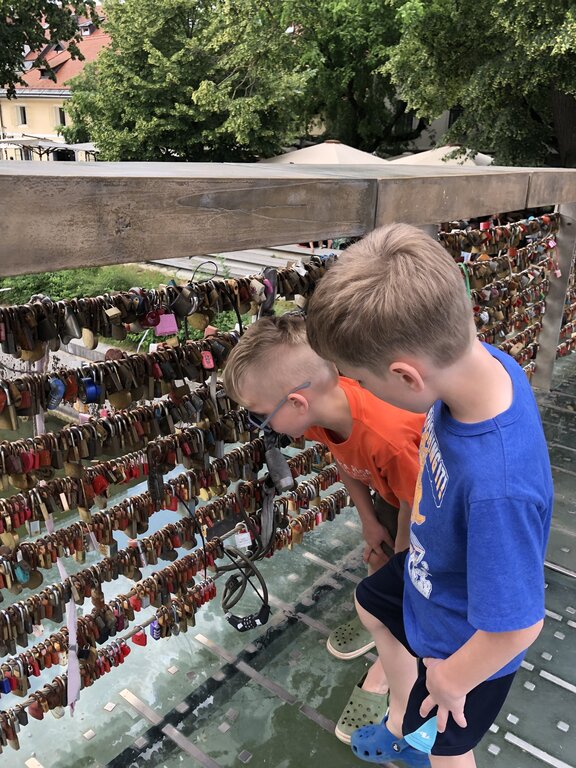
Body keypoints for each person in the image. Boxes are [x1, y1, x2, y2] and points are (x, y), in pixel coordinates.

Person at [305, 223, 553, 767]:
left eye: (364, 383)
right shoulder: (480, 364)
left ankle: (417, 730)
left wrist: (449, 678)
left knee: (445, 749)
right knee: (371, 604)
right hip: (431, 573)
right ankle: (400, 715)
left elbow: (518, 625)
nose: (362, 395)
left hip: (465, 644)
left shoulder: (497, 486)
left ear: (406, 377)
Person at [222, 313, 424, 744]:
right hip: (392, 498)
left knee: (403, 595)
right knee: (378, 565)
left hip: (431, 509)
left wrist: (401, 567)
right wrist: (369, 522)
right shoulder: (324, 409)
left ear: (295, 404)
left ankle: (388, 673)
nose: (261, 429)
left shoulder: (387, 435)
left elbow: (415, 502)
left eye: (260, 417)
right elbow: (342, 456)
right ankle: (380, 630)